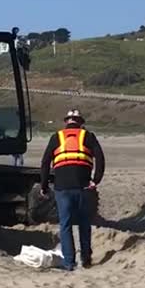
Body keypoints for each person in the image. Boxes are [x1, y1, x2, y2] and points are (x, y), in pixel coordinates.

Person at [40, 109, 105, 271]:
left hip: (62, 188)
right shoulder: (88, 136)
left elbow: (45, 162)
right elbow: (101, 158)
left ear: (66, 122)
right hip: (83, 186)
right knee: (84, 223)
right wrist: (95, 180)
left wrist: (44, 185)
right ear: (81, 122)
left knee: (66, 225)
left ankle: (69, 262)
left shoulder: (57, 137)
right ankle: (86, 259)